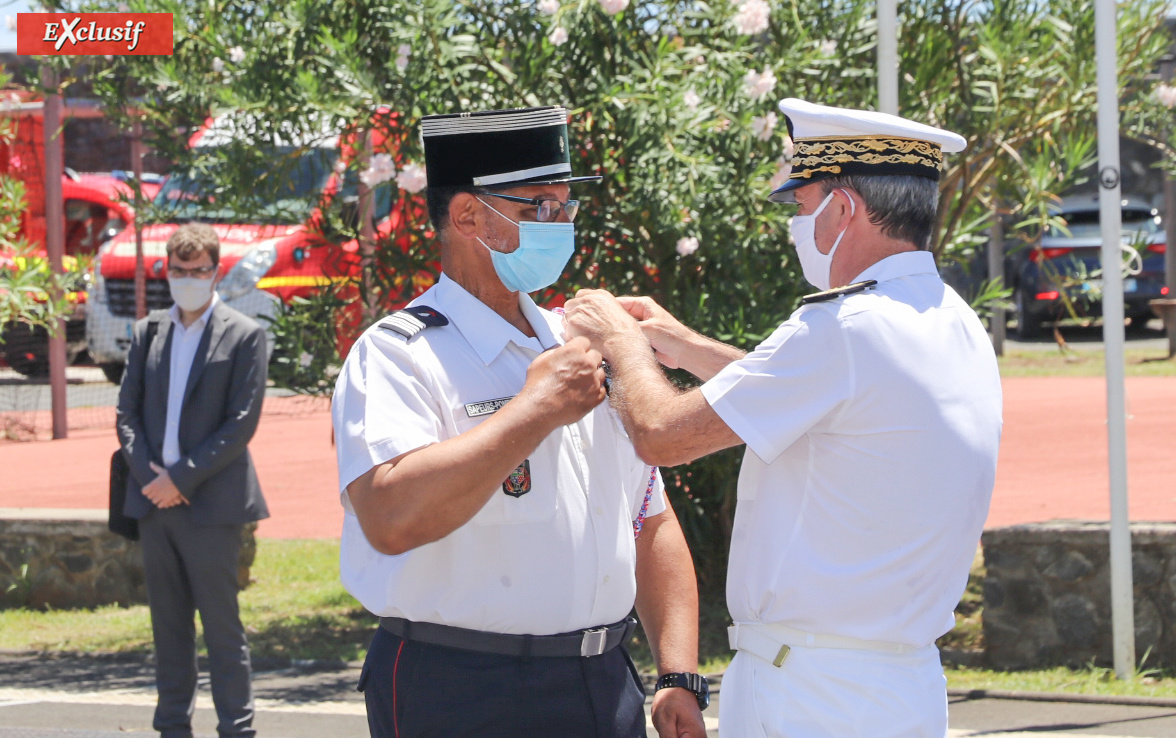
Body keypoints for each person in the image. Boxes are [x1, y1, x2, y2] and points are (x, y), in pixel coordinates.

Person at [564, 98, 1003, 737]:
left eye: (802, 207)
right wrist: (684, 345)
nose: (797, 225)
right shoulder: (950, 319)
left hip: (814, 692)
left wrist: (625, 346)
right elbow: (829, 406)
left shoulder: (842, 329)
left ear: (844, 209)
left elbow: (660, 434)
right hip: (899, 688)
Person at [331, 106, 708, 738]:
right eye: (538, 208)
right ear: (469, 216)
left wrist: (678, 672)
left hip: (601, 683)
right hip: (460, 688)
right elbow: (390, 517)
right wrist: (533, 411)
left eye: (565, 207)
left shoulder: (585, 343)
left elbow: (648, 517)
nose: (560, 225)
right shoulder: (399, 353)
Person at [116, 223, 270, 738]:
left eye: (197, 271)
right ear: (166, 271)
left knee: (222, 630)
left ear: (215, 271)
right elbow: (127, 415)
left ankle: (237, 728)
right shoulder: (147, 332)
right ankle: (171, 727)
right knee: (168, 629)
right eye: (178, 271)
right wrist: (151, 479)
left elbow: (241, 423)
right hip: (155, 503)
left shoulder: (245, 335)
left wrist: (181, 477)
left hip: (212, 504)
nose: (187, 279)